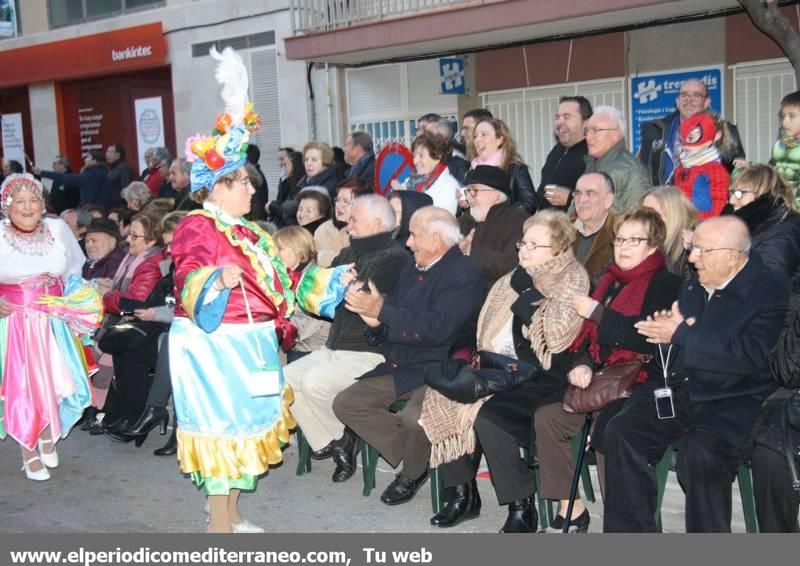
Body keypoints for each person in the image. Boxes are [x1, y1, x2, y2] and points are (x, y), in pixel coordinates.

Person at [168, 46, 351, 533]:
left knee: (244, 432)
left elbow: (283, 281)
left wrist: (333, 282)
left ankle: (228, 512)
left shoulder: (252, 233)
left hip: (251, 343)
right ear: (217, 187)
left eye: (250, 183)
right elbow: (187, 277)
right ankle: (219, 525)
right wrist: (214, 281)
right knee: (221, 433)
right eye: (243, 184)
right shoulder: (197, 226)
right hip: (214, 346)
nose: (253, 190)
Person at [605, 215, 790, 532]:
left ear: (732, 256)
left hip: (735, 401)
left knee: (700, 454)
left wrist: (680, 335)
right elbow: (674, 344)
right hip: (685, 391)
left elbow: (751, 357)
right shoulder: (694, 286)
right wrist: (663, 337)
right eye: (692, 249)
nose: (692, 258)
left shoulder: (769, 291)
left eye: (701, 251)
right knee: (622, 429)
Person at [423, 210, 589, 532]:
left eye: (533, 245)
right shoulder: (509, 280)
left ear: (558, 249)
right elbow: (478, 324)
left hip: (540, 377)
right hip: (497, 366)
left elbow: (554, 340)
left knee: (490, 418)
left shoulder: (571, 280)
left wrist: (528, 293)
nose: (523, 250)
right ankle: (463, 493)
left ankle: (520, 506)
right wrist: (463, 355)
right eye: (523, 242)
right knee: (446, 393)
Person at [535, 206, 681, 532]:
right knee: (548, 418)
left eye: (634, 240)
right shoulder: (608, 279)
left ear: (653, 246)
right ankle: (570, 508)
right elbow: (586, 340)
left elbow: (647, 338)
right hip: (603, 379)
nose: (623, 247)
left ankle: (620, 521)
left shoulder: (666, 284)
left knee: (610, 427)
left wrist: (599, 313)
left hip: (641, 381)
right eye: (619, 239)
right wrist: (582, 364)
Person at [333, 207, 487, 506]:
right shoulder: (413, 267)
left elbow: (437, 330)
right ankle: (422, 455)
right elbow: (396, 315)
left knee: (414, 419)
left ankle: (411, 473)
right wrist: (374, 321)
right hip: (404, 362)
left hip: (442, 367)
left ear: (437, 239)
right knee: (348, 404)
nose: (408, 243)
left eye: (414, 235)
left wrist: (381, 311)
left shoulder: (464, 274)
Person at [283, 194, 409, 482]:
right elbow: (322, 293)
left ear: (376, 223)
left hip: (370, 352)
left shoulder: (397, 258)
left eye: (354, 219)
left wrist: (348, 285)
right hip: (334, 347)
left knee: (315, 384)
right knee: (285, 380)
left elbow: (376, 305)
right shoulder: (348, 253)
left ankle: (344, 437)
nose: (347, 224)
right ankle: (335, 440)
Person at [0, 174, 91, 480]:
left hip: (53, 320)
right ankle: (28, 451)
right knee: (25, 386)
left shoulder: (57, 228)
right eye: (19, 201)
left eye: (33, 200)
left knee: (56, 380)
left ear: (42, 204)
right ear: (6, 206)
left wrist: (78, 305)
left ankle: (47, 432)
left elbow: (74, 270)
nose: (27, 207)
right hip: (15, 323)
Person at [95, 213, 167, 440]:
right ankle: (123, 414)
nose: (129, 240)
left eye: (135, 236)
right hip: (143, 323)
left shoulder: (151, 262)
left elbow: (134, 301)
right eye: (130, 234)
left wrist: (106, 295)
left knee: (126, 347)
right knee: (120, 345)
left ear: (152, 240)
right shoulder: (134, 260)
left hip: (153, 325)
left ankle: (131, 414)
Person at [639, 78, 745, 184]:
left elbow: (738, 174)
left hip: (709, 198)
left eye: (696, 96)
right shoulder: (655, 129)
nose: (689, 100)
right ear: (677, 101)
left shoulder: (725, 130)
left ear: (706, 102)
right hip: (664, 198)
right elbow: (642, 172)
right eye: (684, 95)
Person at [725, 164, 800, 283]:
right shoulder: (750, 224)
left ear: (764, 194)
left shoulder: (783, 232)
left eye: (740, 193)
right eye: (732, 193)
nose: (732, 200)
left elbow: (767, 281)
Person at [458, 166, 530, 286]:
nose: (469, 197)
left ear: (495, 194)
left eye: (474, 190)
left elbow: (514, 265)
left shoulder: (519, 221)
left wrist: (472, 252)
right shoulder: (463, 221)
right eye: (467, 191)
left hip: (495, 297)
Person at [274, 226, 331, 362]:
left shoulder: (315, 281)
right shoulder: (285, 278)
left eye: (280, 249)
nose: (274, 254)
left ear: (300, 253)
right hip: (295, 348)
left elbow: (299, 331)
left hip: (313, 352)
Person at [583, 106, 650, 213]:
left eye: (595, 130)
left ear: (615, 135)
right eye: (587, 131)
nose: (588, 137)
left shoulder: (631, 172)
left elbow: (637, 221)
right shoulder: (591, 165)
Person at [470, 117, 539, 214]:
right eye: (475, 136)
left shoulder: (515, 168)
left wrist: (502, 215)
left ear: (499, 140)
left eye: (484, 134)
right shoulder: (472, 169)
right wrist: (464, 204)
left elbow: (529, 202)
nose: (478, 140)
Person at [672, 111, 732, 219]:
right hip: (680, 223)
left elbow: (719, 204)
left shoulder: (715, 170)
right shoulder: (680, 168)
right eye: (683, 139)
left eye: (691, 138)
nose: (685, 145)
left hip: (703, 226)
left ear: (716, 136)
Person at [540, 96, 592, 210]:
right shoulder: (556, 151)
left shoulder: (592, 154)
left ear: (586, 123)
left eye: (566, 117)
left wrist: (570, 197)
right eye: (557, 117)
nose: (559, 122)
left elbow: (600, 199)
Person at [314, 178, 371, 268]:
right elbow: (314, 261)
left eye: (346, 201)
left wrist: (326, 257)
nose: (339, 205)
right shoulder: (324, 230)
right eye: (338, 200)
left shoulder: (370, 232)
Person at [642, 186, 697, 280]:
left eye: (651, 213)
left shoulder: (692, 246)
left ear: (673, 215)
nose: (643, 218)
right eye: (642, 212)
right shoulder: (640, 241)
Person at [572, 172, 616, 283]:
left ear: (608, 200)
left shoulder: (620, 233)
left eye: (590, 194)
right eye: (578, 194)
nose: (582, 200)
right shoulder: (562, 230)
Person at [403, 131, 460, 215]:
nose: (415, 161)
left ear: (437, 157)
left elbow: (441, 221)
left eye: (421, 156)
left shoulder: (449, 185)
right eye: (414, 156)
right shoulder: (410, 180)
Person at [35, 150, 113, 208]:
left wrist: (42, 173)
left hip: (93, 210)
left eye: (88, 157)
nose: (85, 159)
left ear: (94, 161)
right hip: (100, 209)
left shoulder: (91, 174)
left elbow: (65, 178)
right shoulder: (103, 173)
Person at [771, 90, 800, 201]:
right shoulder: (779, 145)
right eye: (783, 116)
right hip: (783, 205)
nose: (785, 122)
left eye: (792, 117)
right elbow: (773, 169)